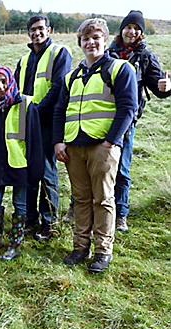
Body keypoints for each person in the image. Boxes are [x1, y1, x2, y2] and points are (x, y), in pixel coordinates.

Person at [53, 18, 137, 273]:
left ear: (104, 40)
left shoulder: (120, 69)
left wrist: (111, 142)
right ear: (80, 43)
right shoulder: (72, 77)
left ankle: (103, 251)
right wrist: (59, 141)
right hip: (74, 147)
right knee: (80, 199)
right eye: (86, 39)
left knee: (102, 199)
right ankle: (80, 247)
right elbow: (60, 110)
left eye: (96, 38)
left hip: (102, 147)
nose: (91, 42)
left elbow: (128, 109)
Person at [108, 10, 171, 232]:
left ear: (141, 33)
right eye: (129, 26)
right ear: (122, 29)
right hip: (104, 116)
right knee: (101, 168)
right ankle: (98, 209)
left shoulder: (146, 56)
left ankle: (121, 214)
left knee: (123, 169)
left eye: (137, 28)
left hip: (127, 120)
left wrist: (166, 88)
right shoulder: (110, 53)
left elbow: (158, 87)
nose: (132, 31)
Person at [15, 15, 73, 241]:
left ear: (49, 29)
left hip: (48, 122)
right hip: (26, 122)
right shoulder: (24, 59)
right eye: (32, 29)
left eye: (40, 28)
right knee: (29, 171)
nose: (36, 33)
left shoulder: (60, 53)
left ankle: (49, 223)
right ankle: (30, 220)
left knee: (47, 173)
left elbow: (59, 86)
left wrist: (38, 110)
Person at [0, 66, 43, 261]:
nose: (0, 86)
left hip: (19, 163)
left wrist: (35, 169)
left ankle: (15, 244)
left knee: (20, 205)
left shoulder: (26, 104)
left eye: (3, 81)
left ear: (11, 81)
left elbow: (34, 139)